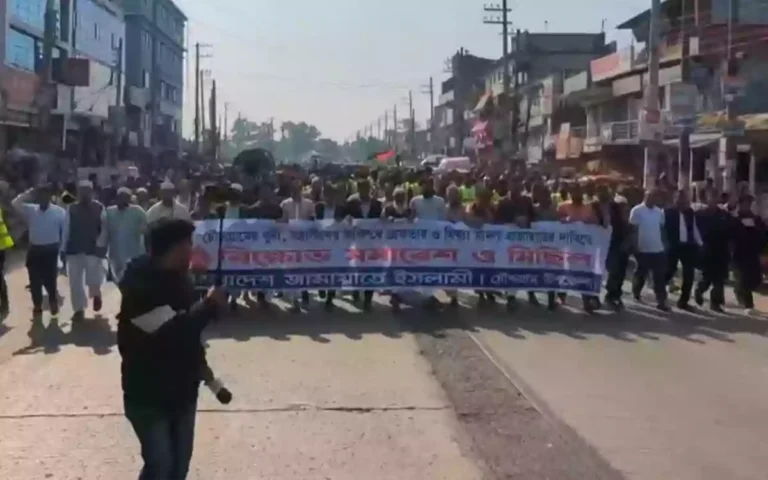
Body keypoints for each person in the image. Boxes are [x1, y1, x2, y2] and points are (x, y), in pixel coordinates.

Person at [118, 218, 227, 480]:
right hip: (148, 396)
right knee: (160, 466)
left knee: (178, 469)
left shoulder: (181, 280)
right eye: (188, 244)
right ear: (173, 248)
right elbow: (171, 333)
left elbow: (190, 339)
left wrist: (211, 380)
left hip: (183, 392)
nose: (192, 250)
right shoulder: (139, 289)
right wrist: (208, 306)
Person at [12, 184, 66, 316]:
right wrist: (29, 191)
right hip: (35, 250)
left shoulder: (59, 212)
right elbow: (15, 203)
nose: (42, 198)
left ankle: (53, 301)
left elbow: (65, 232)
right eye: (39, 196)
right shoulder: (31, 210)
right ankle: (37, 305)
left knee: (50, 279)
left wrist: (63, 250)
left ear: (50, 197)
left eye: (45, 195)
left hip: (51, 250)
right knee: (34, 280)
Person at [62, 180, 108, 321]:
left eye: (87, 190)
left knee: (94, 278)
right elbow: (66, 229)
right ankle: (79, 309)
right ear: (78, 193)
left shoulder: (99, 208)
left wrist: (101, 246)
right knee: (75, 282)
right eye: (81, 191)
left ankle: (96, 295)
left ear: (92, 192)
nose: (84, 194)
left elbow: (104, 229)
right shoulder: (71, 208)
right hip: (74, 249)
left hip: (92, 249)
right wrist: (63, 248)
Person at [629, 189, 669, 311]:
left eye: (655, 197)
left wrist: (665, 244)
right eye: (650, 197)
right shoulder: (637, 211)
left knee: (659, 277)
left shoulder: (659, 212)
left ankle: (661, 301)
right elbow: (633, 229)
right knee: (641, 274)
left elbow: (661, 229)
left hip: (658, 249)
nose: (652, 199)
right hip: (643, 249)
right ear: (645, 197)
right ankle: (636, 291)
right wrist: (635, 246)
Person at [663, 190, 703, 311]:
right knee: (669, 270)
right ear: (674, 199)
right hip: (673, 245)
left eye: (684, 198)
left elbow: (694, 228)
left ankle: (683, 301)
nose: (681, 201)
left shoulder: (689, 212)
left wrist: (700, 242)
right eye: (678, 198)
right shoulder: (667, 212)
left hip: (688, 246)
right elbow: (662, 229)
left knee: (689, 273)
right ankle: (659, 290)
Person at [694, 188, 731, 312]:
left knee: (719, 279)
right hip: (707, 249)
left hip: (721, 249)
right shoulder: (700, 214)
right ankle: (699, 290)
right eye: (711, 197)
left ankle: (715, 303)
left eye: (715, 197)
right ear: (706, 198)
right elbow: (696, 231)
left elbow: (729, 230)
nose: (713, 199)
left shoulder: (723, 214)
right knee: (707, 277)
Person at [730, 194, 766, 315]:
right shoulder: (734, 219)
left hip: (753, 253)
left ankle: (739, 290)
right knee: (743, 277)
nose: (747, 205)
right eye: (745, 203)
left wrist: (763, 251)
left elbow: (764, 234)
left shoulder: (756, 219)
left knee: (755, 279)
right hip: (739, 253)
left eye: (749, 203)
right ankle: (748, 304)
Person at [106, 187, 147, 282]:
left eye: (125, 198)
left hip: (133, 252)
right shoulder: (109, 211)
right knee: (118, 278)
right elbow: (104, 230)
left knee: (132, 278)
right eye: (120, 197)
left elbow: (146, 225)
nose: (122, 200)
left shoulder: (137, 211)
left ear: (129, 199)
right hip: (115, 252)